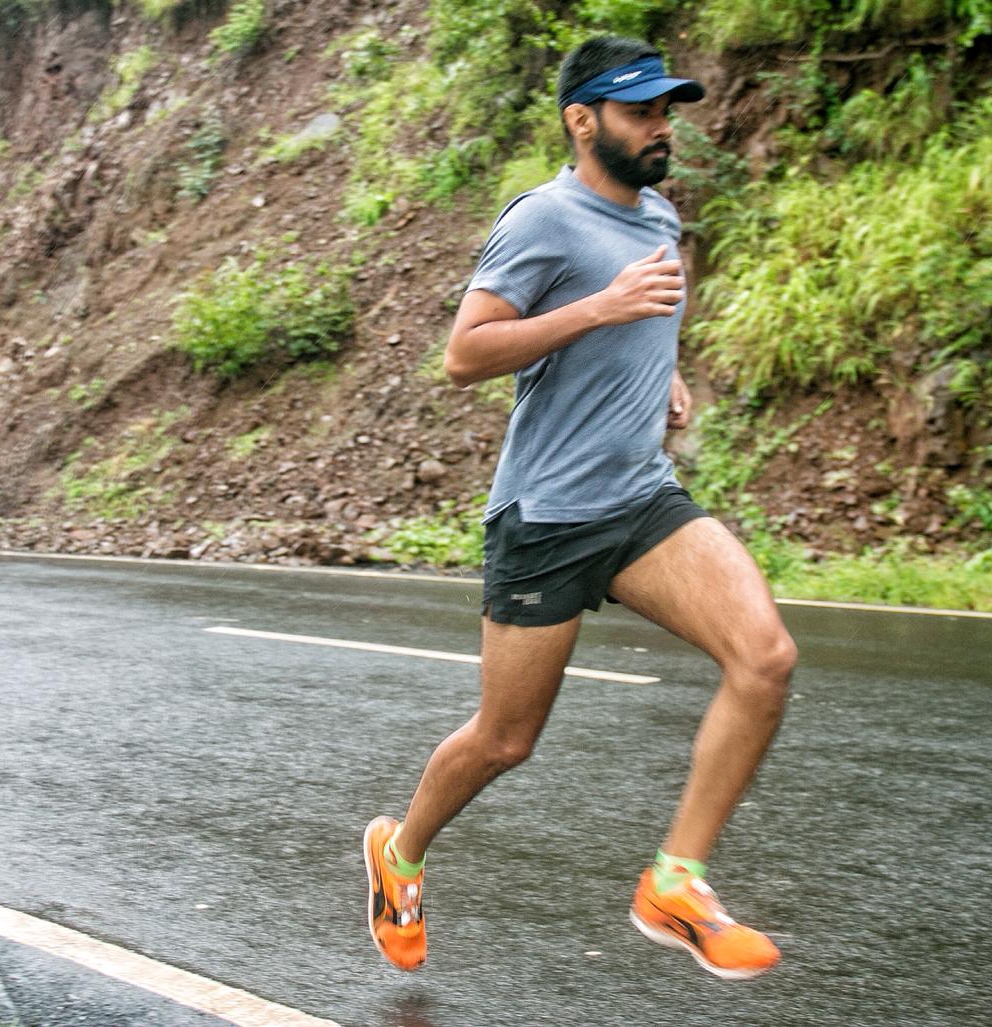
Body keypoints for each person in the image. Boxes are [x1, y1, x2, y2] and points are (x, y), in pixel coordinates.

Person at [364, 35, 797, 980]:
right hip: (548, 516)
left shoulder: (660, 215)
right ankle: (400, 851)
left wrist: (663, 373)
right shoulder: (542, 220)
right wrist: (601, 308)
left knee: (765, 658)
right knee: (505, 739)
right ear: (581, 120)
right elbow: (466, 353)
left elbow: (646, 316)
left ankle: (675, 882)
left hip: (639, 497)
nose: (661, 128)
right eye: (640, 112)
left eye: (666, 111)